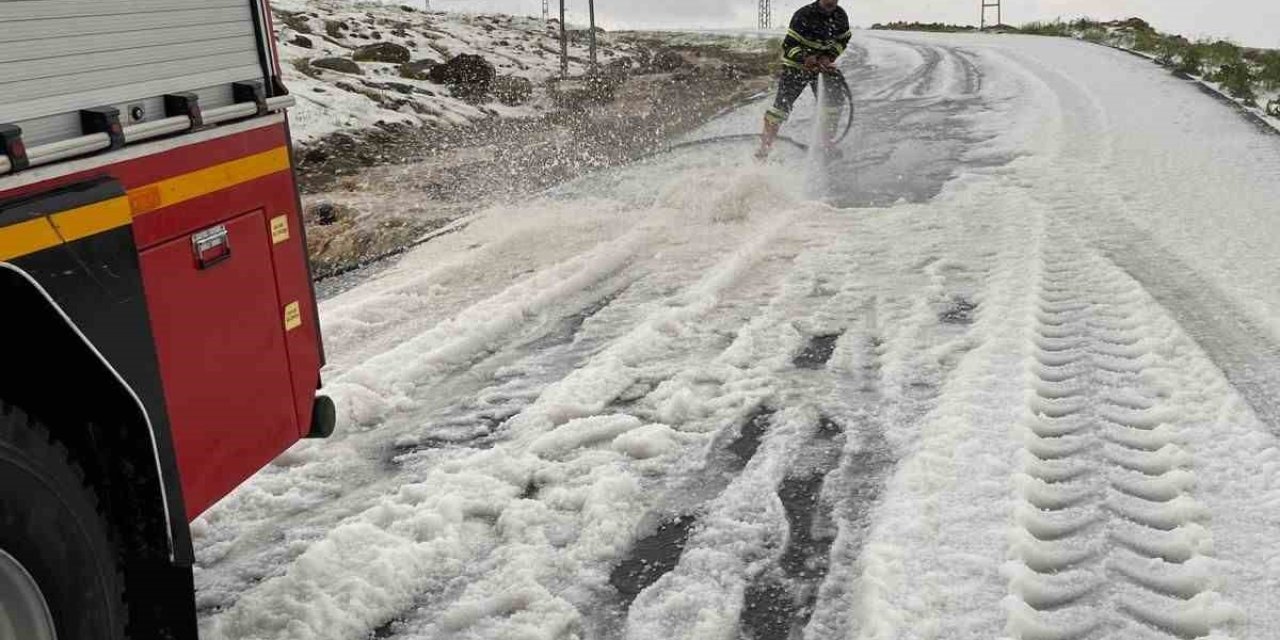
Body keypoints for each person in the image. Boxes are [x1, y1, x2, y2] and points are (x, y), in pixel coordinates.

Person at [756, 0, 852, 160]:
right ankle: (764, 148)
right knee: (780, 109)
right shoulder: (804, 15)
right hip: (795, 67)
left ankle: (827, 144)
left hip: (822, 67)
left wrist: (829, 57)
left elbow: (843, 39)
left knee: (832, 106)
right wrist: (805, 58)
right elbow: (788, 45)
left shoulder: (840, 16)